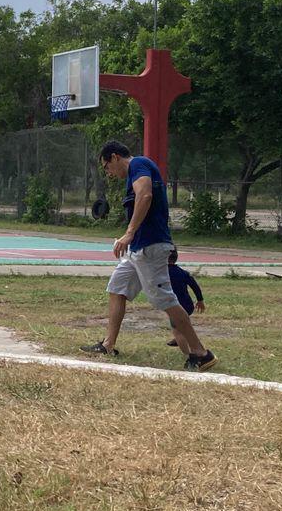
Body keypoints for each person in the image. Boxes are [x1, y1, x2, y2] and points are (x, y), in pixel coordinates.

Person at [80, 141, 218, 371]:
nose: (109, 173)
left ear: (114, 157)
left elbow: (145, 195)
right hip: (137, 248)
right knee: (117, 287)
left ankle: (201, 352)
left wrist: (128, 233)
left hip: (151, 246)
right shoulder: (132, 173)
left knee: (163, 298)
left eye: (106, 167)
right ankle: (108, 344)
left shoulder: (139, 165)